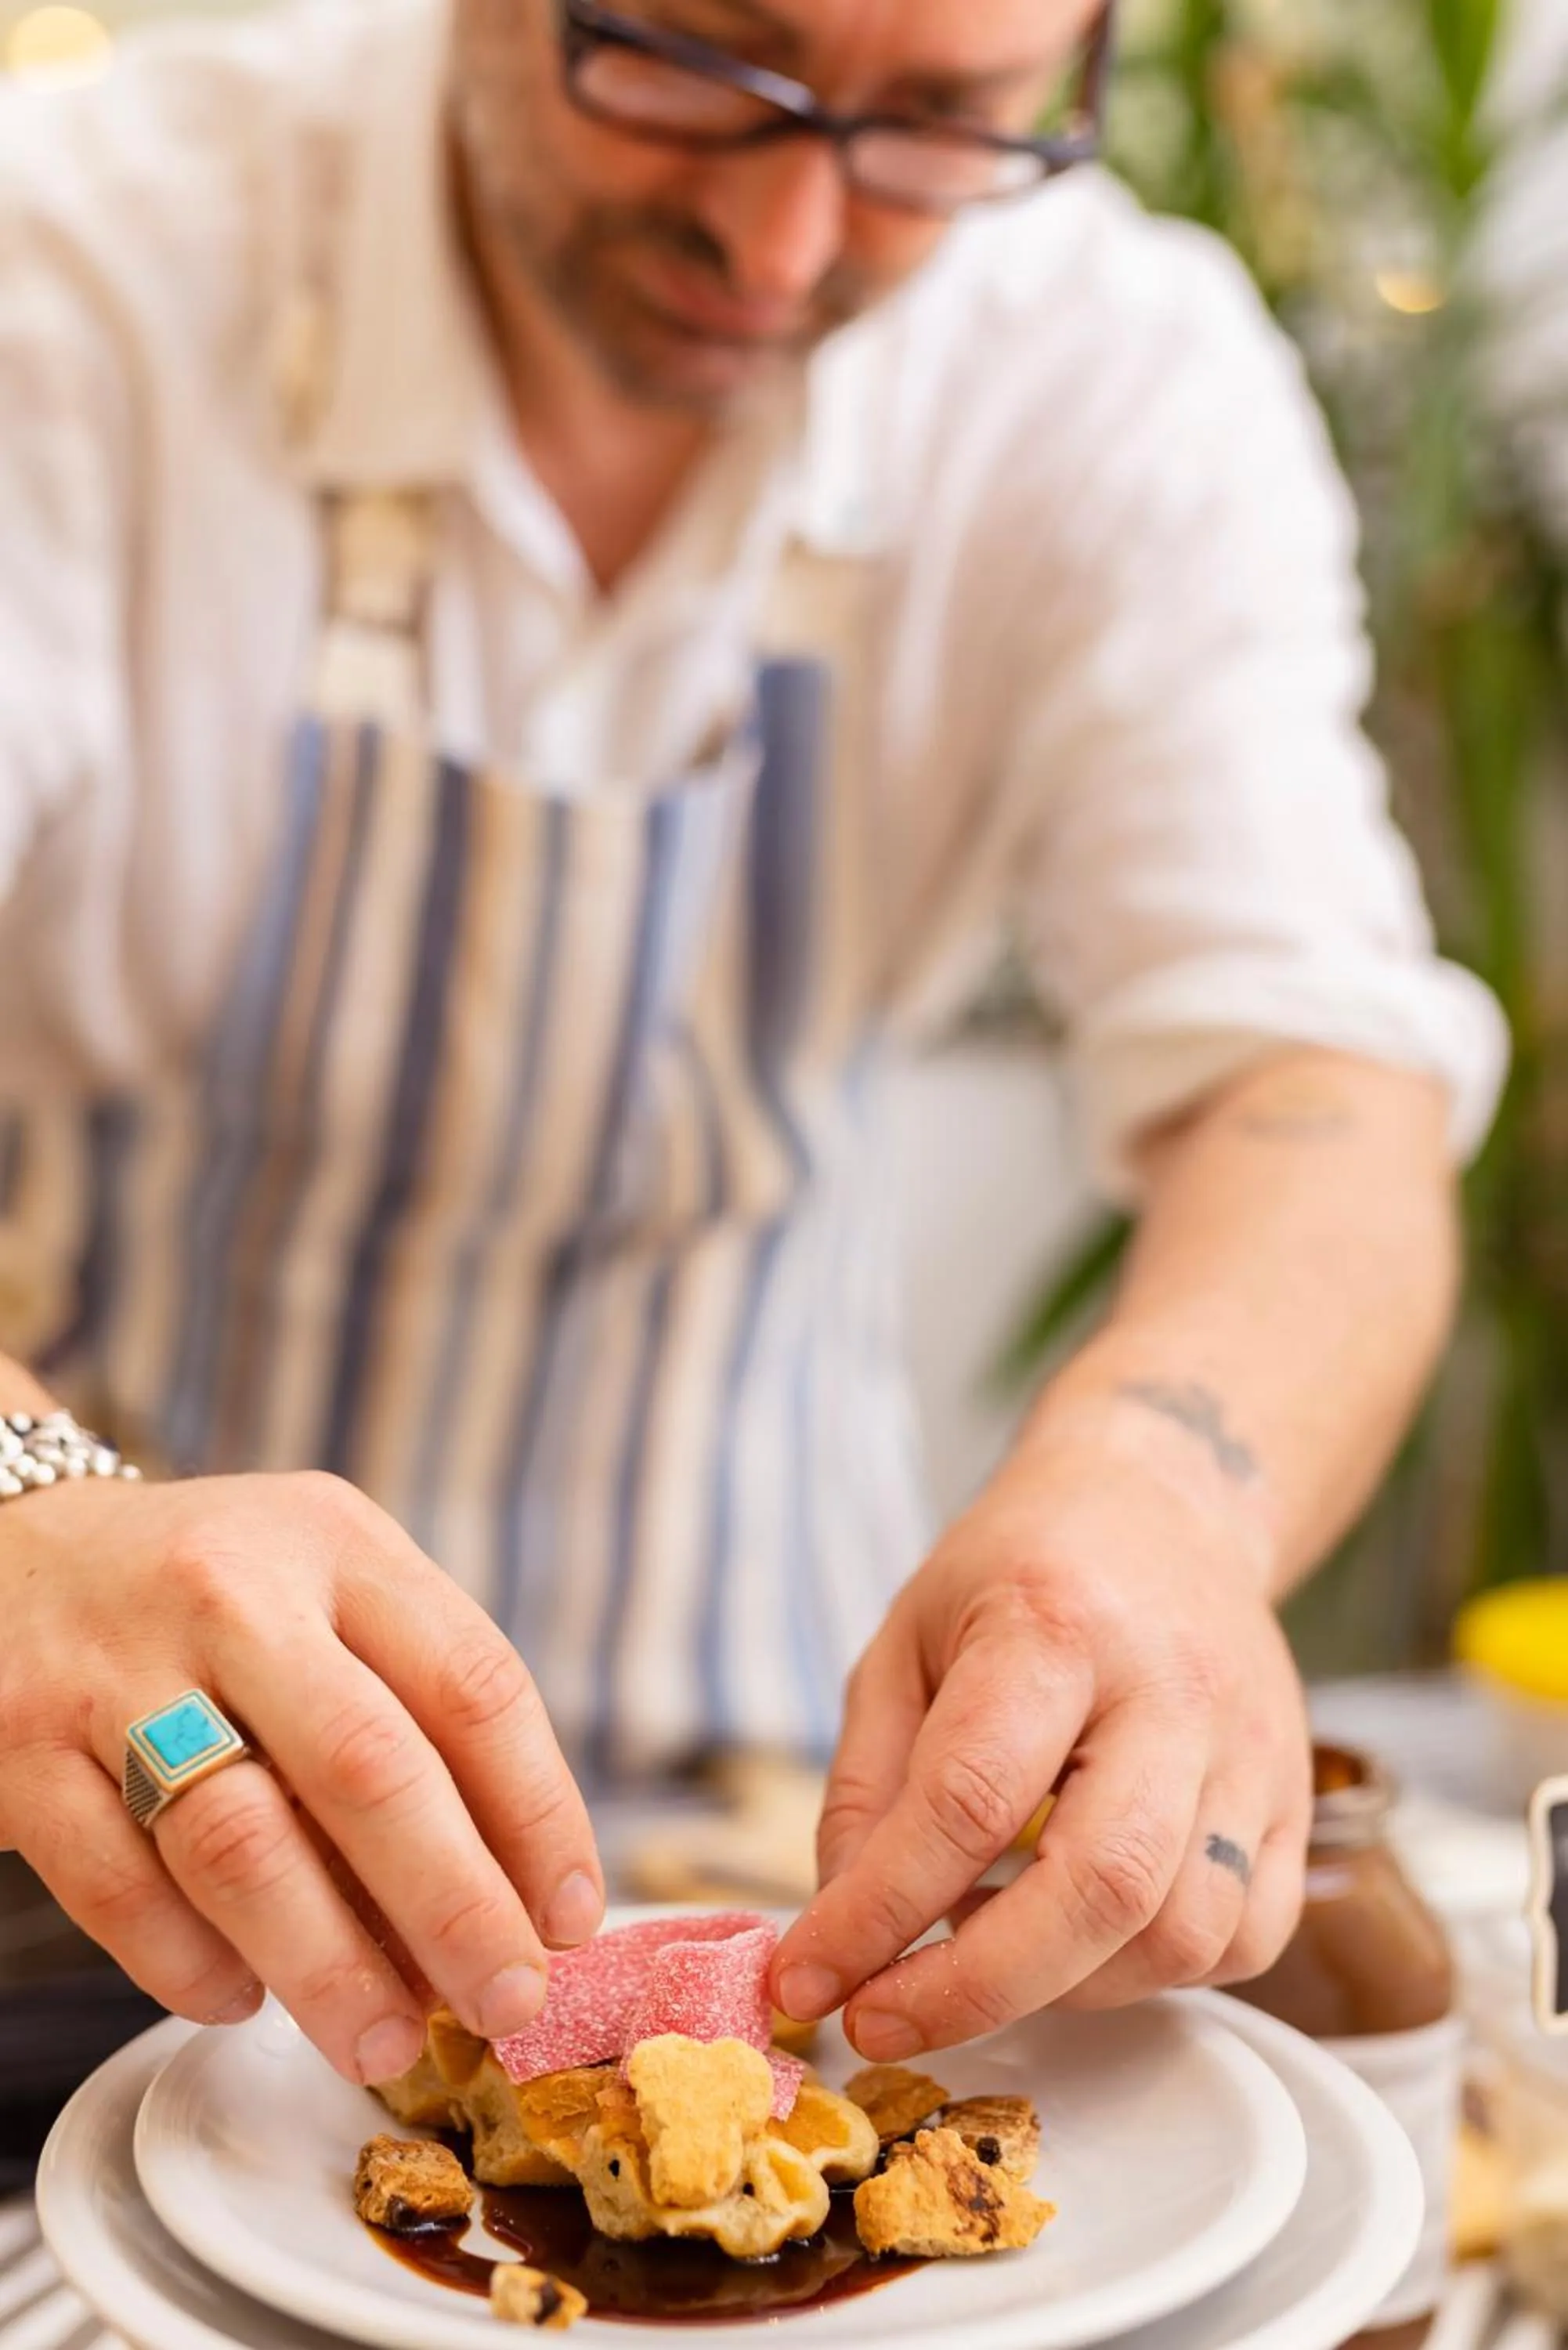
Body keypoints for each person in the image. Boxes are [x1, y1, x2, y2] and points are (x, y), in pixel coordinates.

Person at [0, 0, 1506, 2098]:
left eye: (939, 124)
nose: (789, 241)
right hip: (118, 1861)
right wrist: (25, 1516)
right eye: (700, 60)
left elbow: (1315, 1082)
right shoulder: (67, 278)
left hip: (803, 1805)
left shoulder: (1117, 381)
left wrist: (1169, 1492)